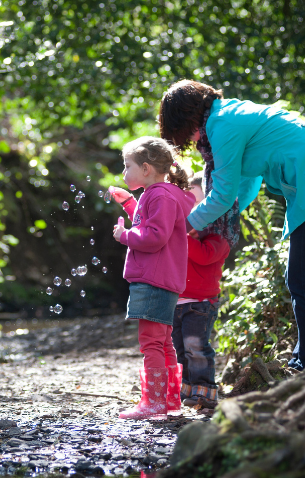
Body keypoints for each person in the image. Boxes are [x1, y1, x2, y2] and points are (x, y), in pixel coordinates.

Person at [158, 79, 305, 370]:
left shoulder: (222, 125)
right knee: (302, 279)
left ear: (188, 117)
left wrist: (183, 224)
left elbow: (222, 194)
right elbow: (246, 184)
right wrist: (207, 223)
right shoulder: (227, 116)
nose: (191, 141)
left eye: (186, 133)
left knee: (303, 280)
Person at [108, 136, 196, 419]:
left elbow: (154, 236)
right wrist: (129, 203)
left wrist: (125, 236)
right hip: (164, 279)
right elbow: (151, 223)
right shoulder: (162, 194)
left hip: (153, 279)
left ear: (146, 168)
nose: (124, 173)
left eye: (127, 166)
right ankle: (169, 401)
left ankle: (153, 403)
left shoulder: (158, 195)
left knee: (151, 342)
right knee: (163, 341)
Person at [174, 172, 230, 409]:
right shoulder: (182, 234)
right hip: (176, 300)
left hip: (201, 302)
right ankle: (186, 388)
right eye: (190, 203)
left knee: (196, 347)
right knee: (180, 347)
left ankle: (205, 391)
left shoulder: (219, 236)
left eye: (200, 204)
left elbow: (206, 256)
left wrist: (182, 235)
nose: (194, 210)